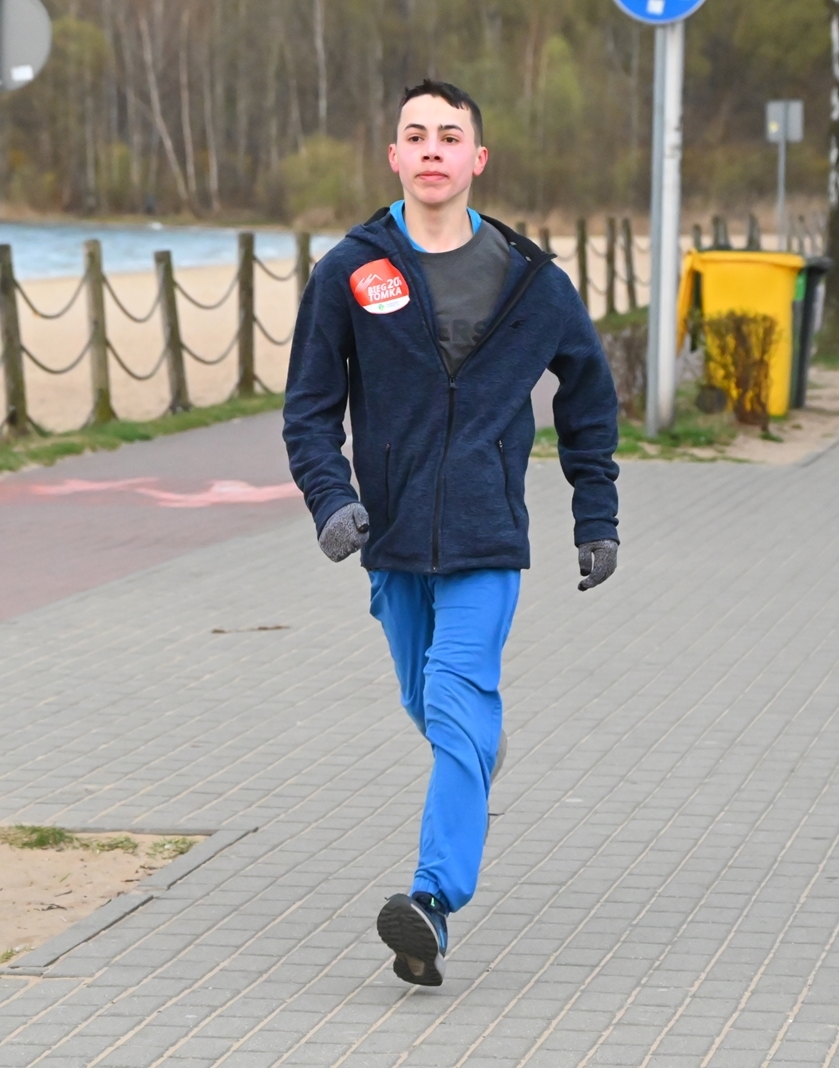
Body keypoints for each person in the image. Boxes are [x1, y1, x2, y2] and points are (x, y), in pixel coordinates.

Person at [283, 80, 621, 987]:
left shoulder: (532, 282)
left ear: (478, 158)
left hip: (487, 537)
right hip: (390, 539)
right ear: (394, 156)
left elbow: (589, 396)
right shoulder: (350, 270)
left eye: (450, 135)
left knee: (457, 693)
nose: (432, 148)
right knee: (433, 710)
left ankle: (431, 903)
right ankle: (475, 753)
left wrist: (596, 514)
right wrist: (330, 500)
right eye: (416, 135)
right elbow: (308, 409)